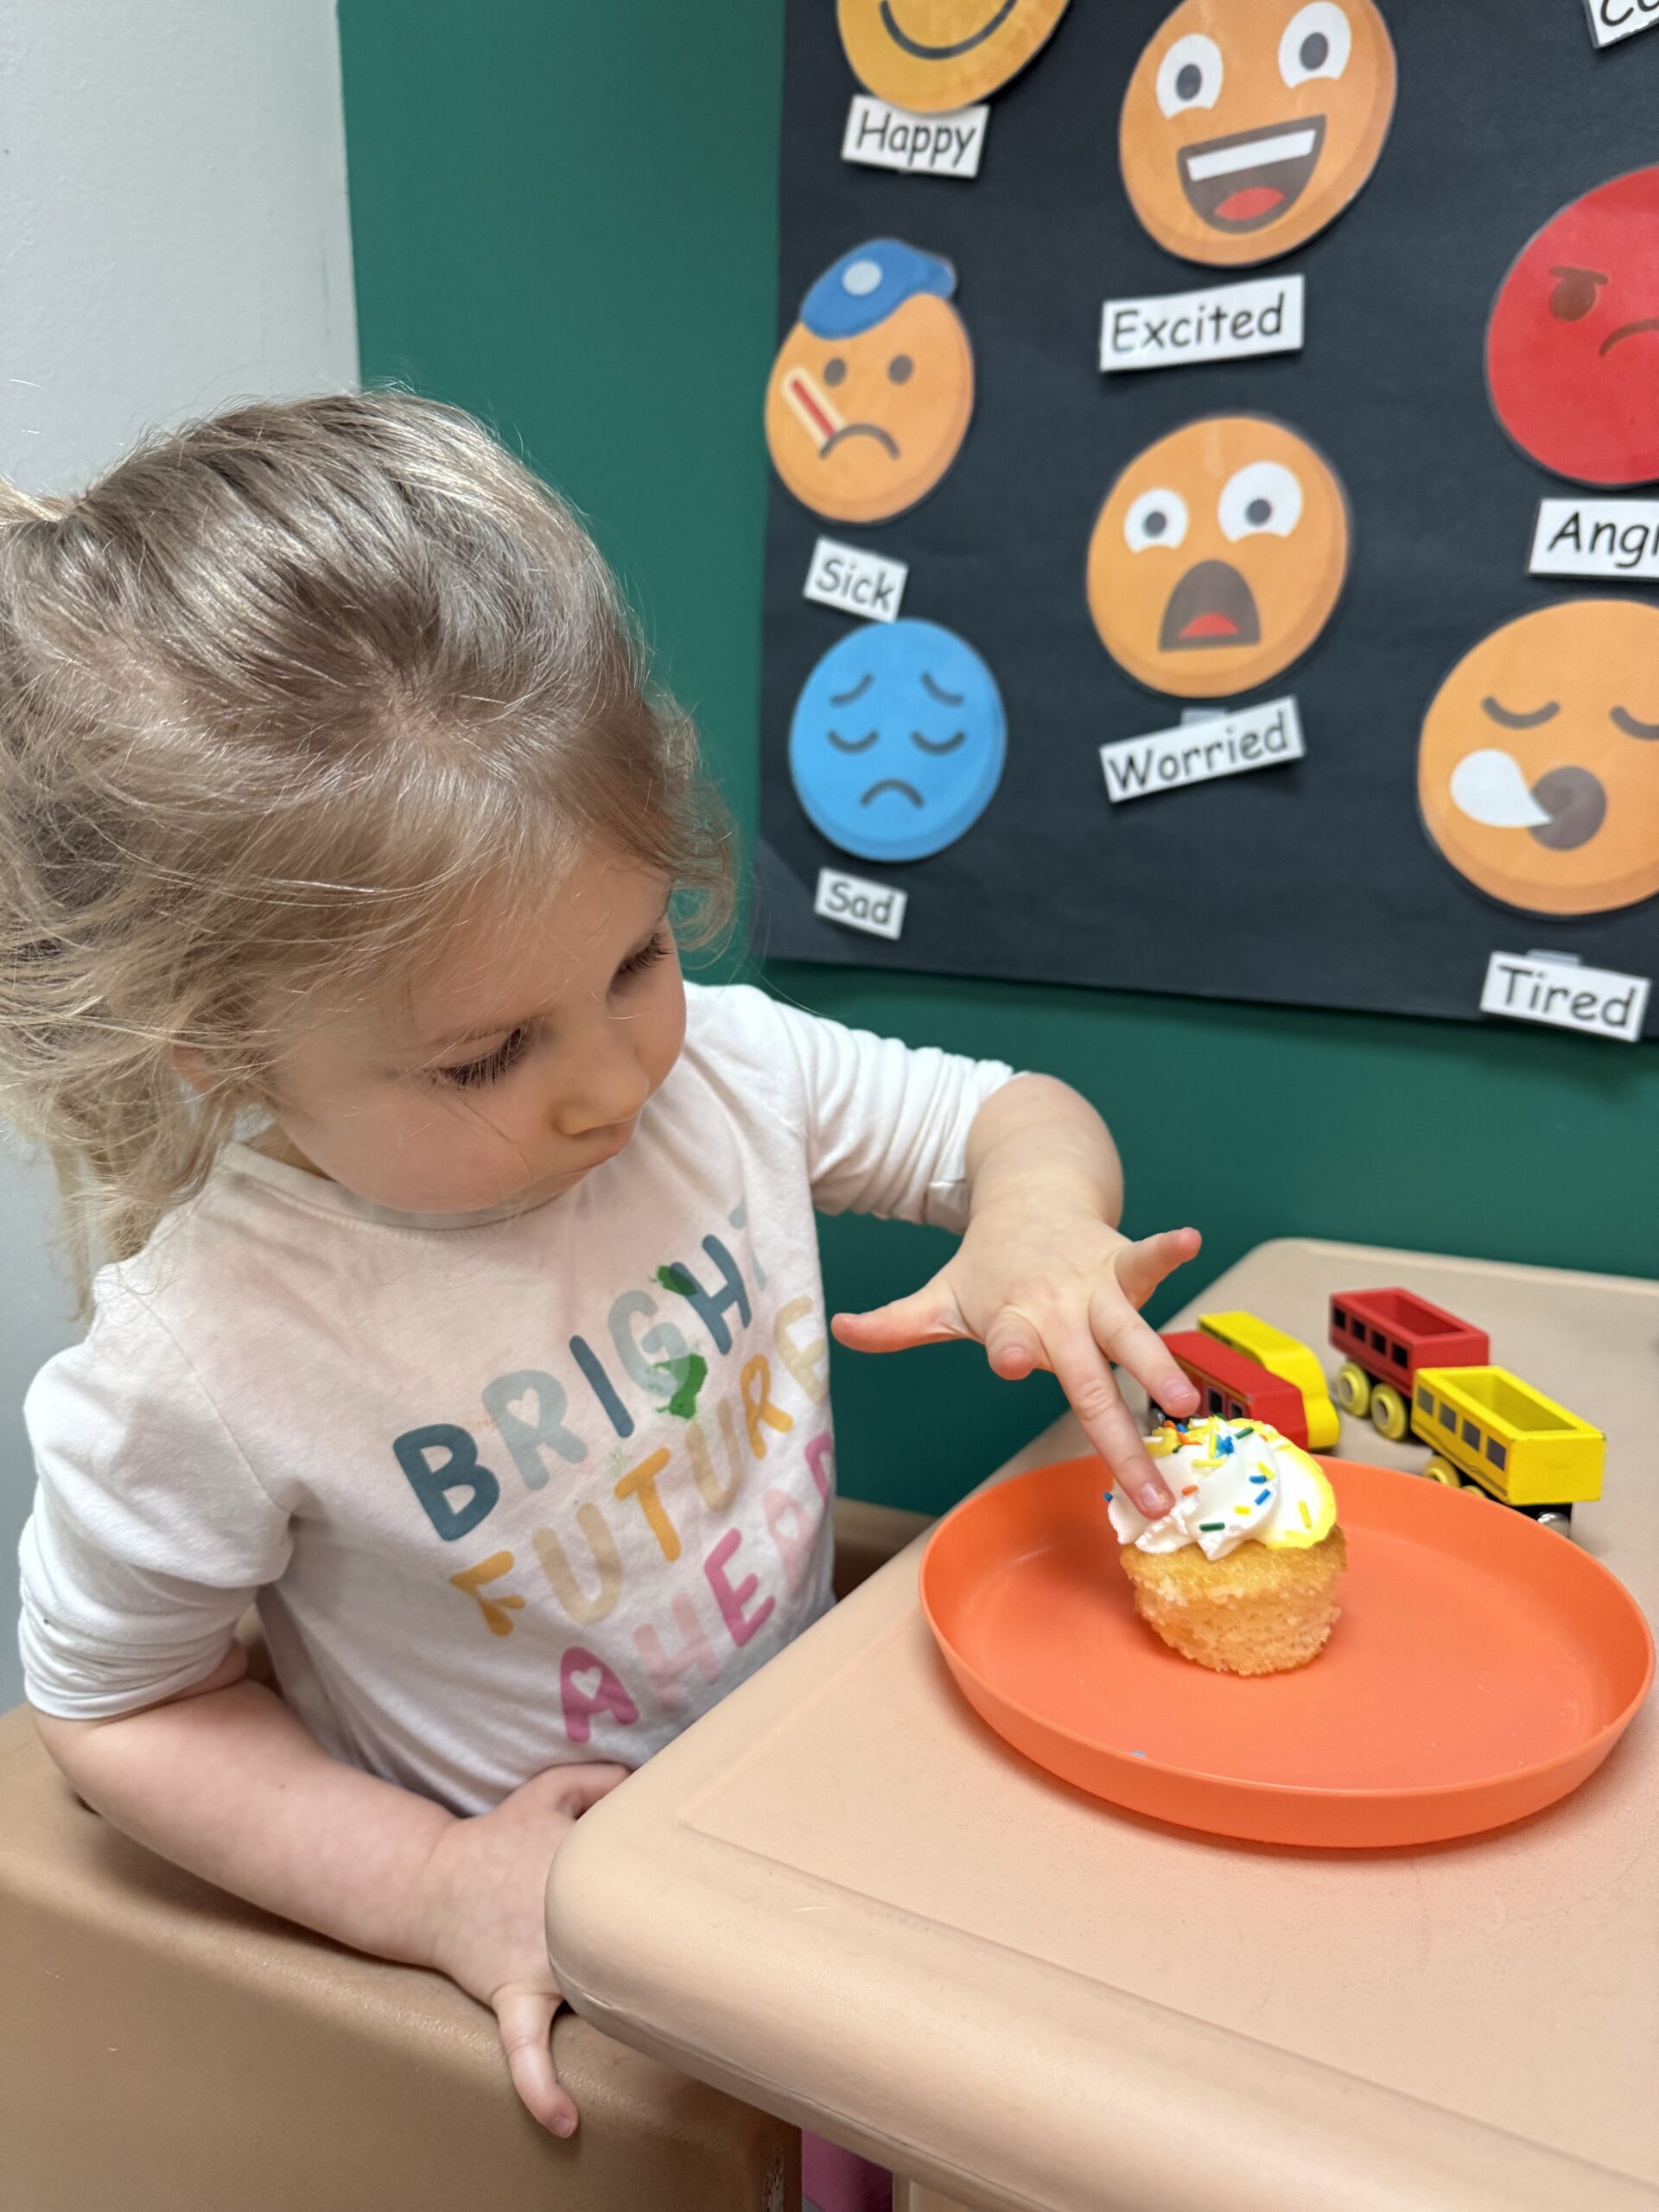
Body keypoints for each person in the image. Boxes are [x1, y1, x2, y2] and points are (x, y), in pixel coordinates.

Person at [0, 395, 1198, 2171]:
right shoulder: (199, 1356)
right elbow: (118, 1710)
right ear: (222, 1053)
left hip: (803, 1822)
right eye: (484, 1056)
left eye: (637, 952)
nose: (612, 1079)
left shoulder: (725, 1064)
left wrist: (1034, 1220)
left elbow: (1013, 1118)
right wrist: (427, 1881)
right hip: (574, 1949)